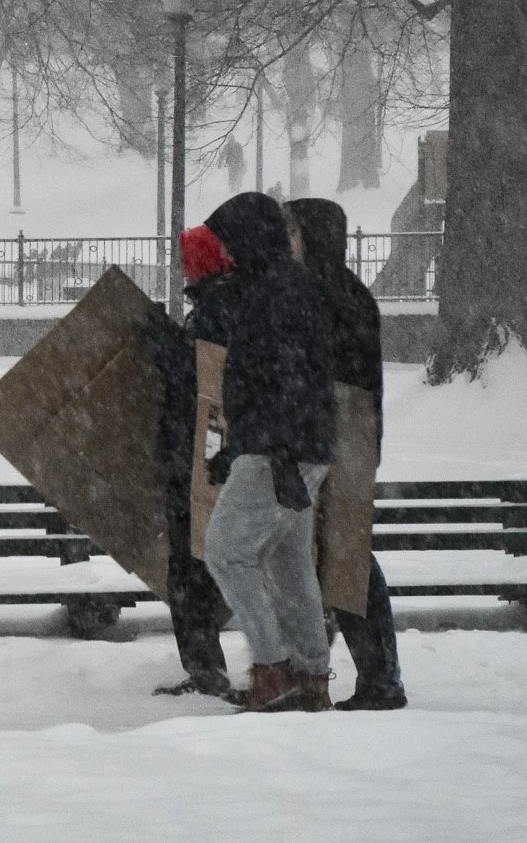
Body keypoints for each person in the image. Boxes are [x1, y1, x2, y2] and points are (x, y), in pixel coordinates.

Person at [199, 191, 338, 713]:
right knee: (288, 564)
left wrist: (266, 447)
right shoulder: (287, 285)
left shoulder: (273, 291)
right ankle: (310, 674)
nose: (228, 252)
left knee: (226, 552)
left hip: (279, 448)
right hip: (302, 445)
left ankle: (272, 667)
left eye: (231, 240)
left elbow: (280, 376)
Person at [287, 197, 407, 711]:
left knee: (342, 562)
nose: (285, 242)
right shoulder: (346, 293)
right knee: (339, 560)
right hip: (348, 438)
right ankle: (345, 675)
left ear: (312, 236)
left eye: (291, 232)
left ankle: (364, 679)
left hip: (334, 437)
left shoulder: (318, 296)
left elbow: (319, 374)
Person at [145, 223, 237, 699]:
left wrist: (159, 343)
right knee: (199, 564)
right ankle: (208, 666)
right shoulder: (228, 305)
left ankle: (205, 669)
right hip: (209, 452)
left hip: (198, 456)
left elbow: (195, 376)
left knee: (189, 568)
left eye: (188, 258)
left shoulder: (214, 312)